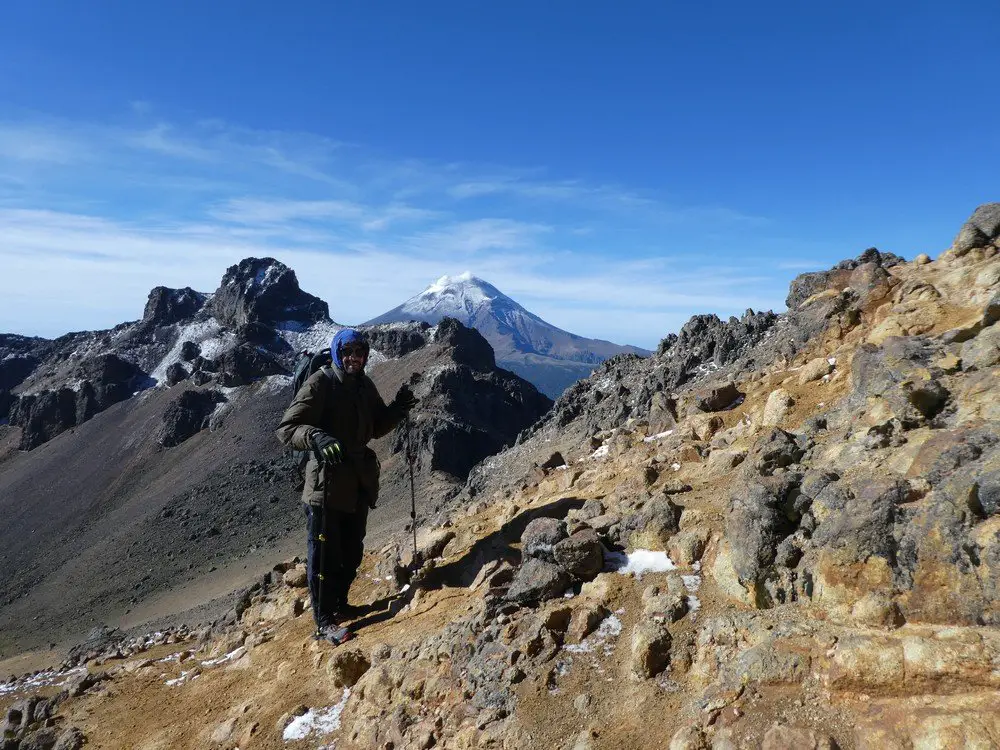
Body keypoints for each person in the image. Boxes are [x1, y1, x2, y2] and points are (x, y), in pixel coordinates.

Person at [276, 328, 418, 644]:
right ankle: (323, 621)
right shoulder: (321, 383)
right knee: (324, 555)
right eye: (349, 352)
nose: (354, 358)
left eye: (360, 353)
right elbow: (287, 429)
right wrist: (316, 436)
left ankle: (339, 605)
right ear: (339, 352)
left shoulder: (364, 385)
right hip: (325, 485)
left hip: (357, 482)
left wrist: (397, 408)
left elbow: (377, 426)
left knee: (352, 551)